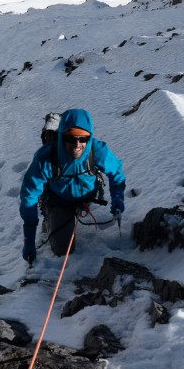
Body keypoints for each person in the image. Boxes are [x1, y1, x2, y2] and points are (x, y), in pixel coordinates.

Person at [19, 109, 126, 263]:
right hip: (58, 199)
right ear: (62, 136)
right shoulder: (46, 157)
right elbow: (29, 195)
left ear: (89, 137)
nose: (77, 144)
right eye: (70, 138)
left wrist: (118, 198)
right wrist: (28, 239)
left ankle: (76, 209)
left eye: (83, 139)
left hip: (87, 195)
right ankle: (50, 217)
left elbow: (116, 172)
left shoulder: (98, 151)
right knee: (62, 249)